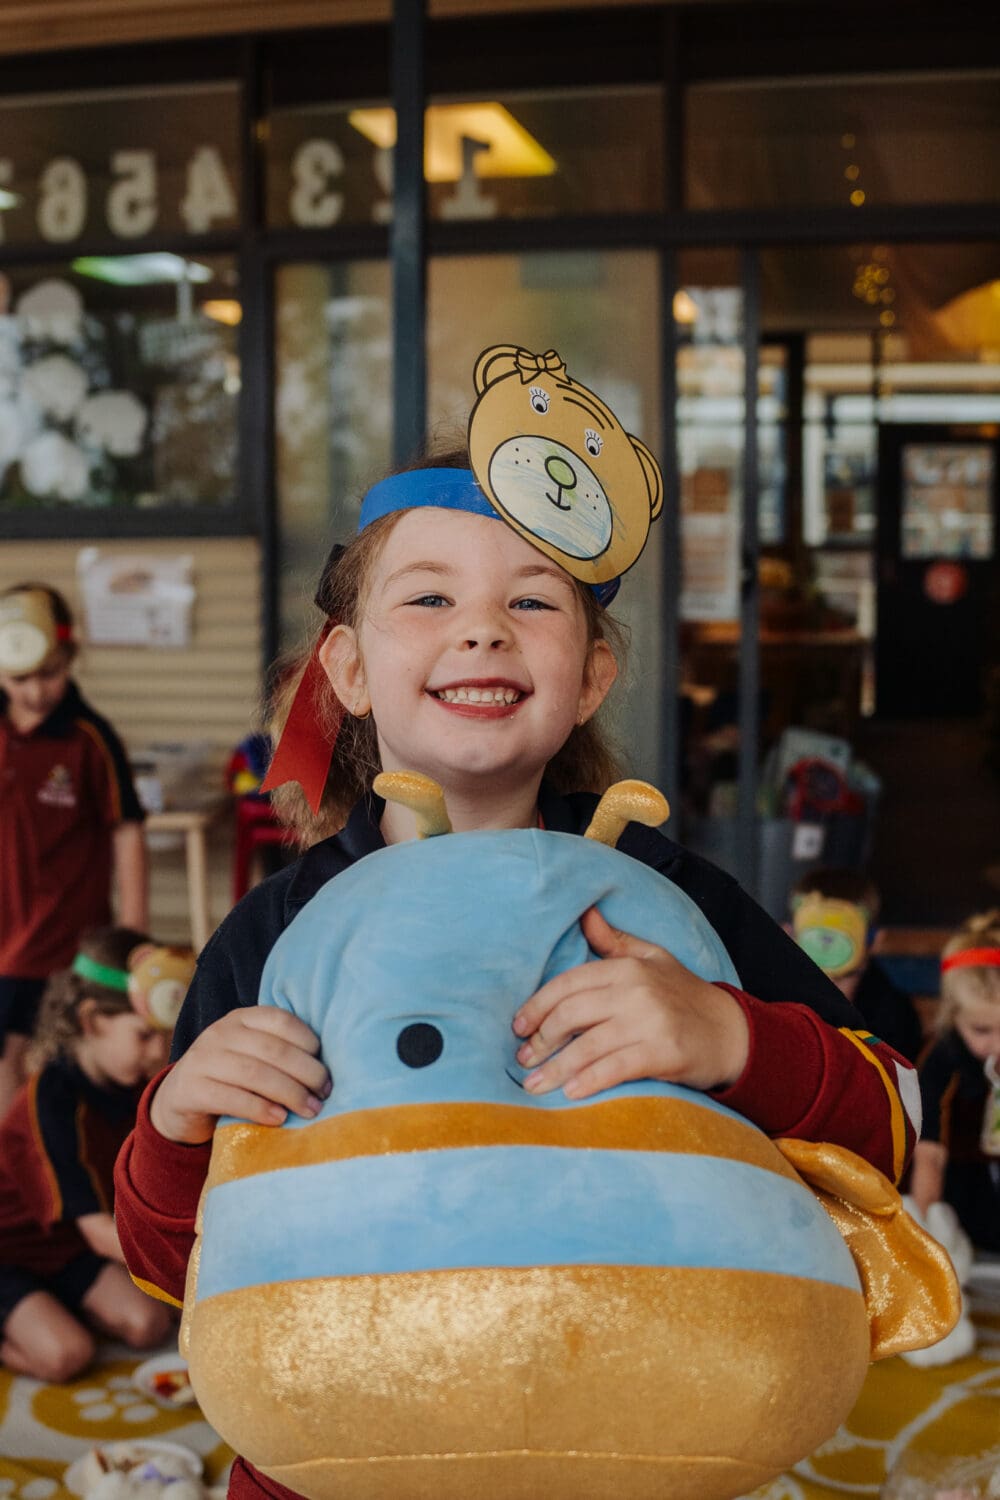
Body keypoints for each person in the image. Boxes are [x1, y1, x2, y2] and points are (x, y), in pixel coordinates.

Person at [115, 431, 919, 1500]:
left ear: (591, 676)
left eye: (532, 600)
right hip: (343, 1468)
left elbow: (896, 1123)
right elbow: (178, 1270)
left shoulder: (674, 903)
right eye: (429, 598)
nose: (483, 628)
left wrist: (734, 1039)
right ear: (348, 669)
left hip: (631, 1453)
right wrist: (176, 1124)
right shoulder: (278, 934)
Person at [0, 583, 148, 1120]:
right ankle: (19, 1162)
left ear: (70, 655)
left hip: (67, 938)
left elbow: (128, 831)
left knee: (60, 1064)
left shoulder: (90, 739)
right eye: (20, 679)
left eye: (49, 674)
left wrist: (131, 935)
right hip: (6, 935)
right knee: (8, 1060)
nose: (35, 692)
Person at [0, 926, 175, 1382]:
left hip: (65, 1246)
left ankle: (53, 1309)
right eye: (144, 1036)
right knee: (66, 1355)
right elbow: (100, 1233)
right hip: (10, 1251)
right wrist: (187, 1268)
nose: (158, 1052)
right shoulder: (49, 1100)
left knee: (149, 1325)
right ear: (93, 1021)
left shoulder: (131, 1081)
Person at [910, 910, 1000, 1254]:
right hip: (964, 1196)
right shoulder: (942, 1061)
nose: (997, 1045)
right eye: (982, 1030)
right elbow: (929, 1157)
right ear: (953, 1017)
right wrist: (926, 1229)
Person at [790, 866, 924, 1062]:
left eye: (843, 928)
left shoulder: (895, 1016)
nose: (827, 944)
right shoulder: (774, 1000)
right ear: (790, 934)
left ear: (875, 940)